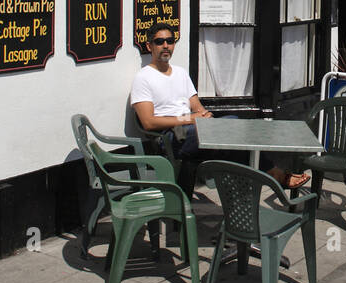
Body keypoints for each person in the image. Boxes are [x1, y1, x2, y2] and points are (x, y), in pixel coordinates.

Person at [131, 22, 307, 186]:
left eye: (170, 41)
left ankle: (262, 178)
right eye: (159, 42)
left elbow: (197, 107)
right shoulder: (144, 78)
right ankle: (273, 174)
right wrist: (189, 119)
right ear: (150, 46)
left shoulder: (180, 73)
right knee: (232, 128)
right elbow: (149, 122)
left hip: (192, 130)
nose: (166, 46)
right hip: (170, 136)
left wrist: (205, 116)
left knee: (234, 124)